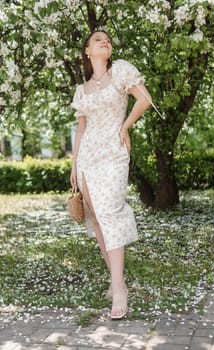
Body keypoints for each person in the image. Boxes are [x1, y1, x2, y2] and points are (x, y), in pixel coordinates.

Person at [70, 30, 151, 320]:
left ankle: (119, 288)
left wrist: (125, 126)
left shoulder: (121, 71)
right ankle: (115, 279)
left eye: (108, 39)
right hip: (87, 158)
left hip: (114, 153)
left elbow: (144, 99)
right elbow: (80, 130)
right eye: (97, 40)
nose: (105, 41)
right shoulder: (82, 90)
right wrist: (74, 166)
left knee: (111, 211)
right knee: (98, 217)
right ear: (87, 51)